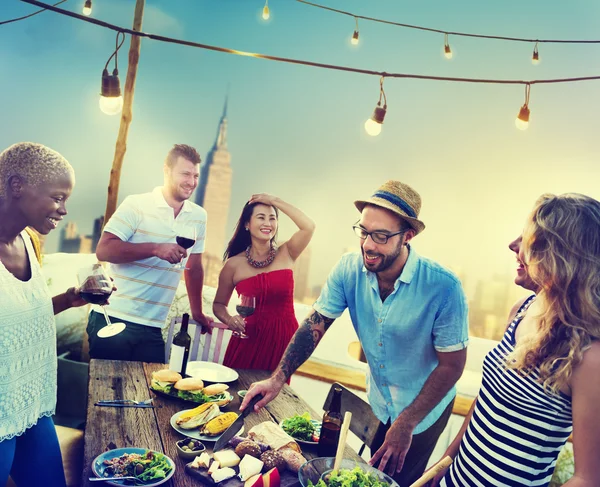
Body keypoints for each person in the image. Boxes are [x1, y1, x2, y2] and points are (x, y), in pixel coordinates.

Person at [241, 180, 469, 486]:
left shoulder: (444, 287)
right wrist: (277, 377)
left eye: (381, 236)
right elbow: (315, 324)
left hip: (424, 411)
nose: (368, 245)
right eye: (363, 231)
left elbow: (452, 366)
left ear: (408, 236)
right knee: (370, 475)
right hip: (380, 400)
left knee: (394, 480)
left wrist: (406, 422)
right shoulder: (349, 269)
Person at [429, 193, 600, 487]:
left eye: (528, 239)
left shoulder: (589, 357)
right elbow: (486, 402)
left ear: (559, 256)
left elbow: (588, 478)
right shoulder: (520, 310)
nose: (513, 246)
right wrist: (445, 463)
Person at [0, 142, 87, 487]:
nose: (63, 210)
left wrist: (69, 299)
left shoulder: (30, 242)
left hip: (32, 405)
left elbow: (20, 316)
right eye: (58, 197)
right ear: (17, 186)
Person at [88, 143, 210, 362]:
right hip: (113, 317)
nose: (191, 182)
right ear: (166, 170)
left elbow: (194, 267)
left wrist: (198, 312)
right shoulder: (136, 204)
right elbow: (104, 250)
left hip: (153, 326)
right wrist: (156, 249)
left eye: (195, 175)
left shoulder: (198, 216)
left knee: (150, 393)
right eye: (185, 174)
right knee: (105, 393)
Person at [212, 193, 315, 371]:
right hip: (248, 338)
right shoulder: (233, 264)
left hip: (283, 341)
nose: (268, 223)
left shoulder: (288, 252)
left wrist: (275, 201)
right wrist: (230, 319)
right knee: (236, 392)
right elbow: (219, 304)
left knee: (276, 397)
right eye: (261, 217)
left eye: (272, 218)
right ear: (247, 224)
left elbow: (308, 226)